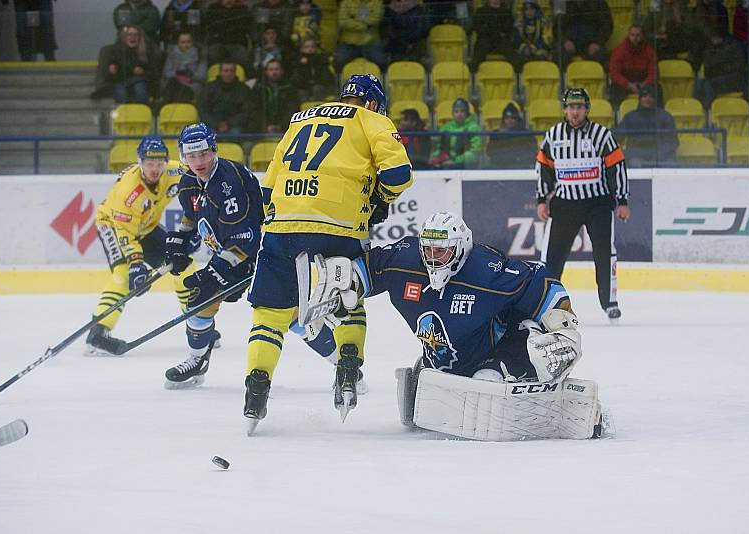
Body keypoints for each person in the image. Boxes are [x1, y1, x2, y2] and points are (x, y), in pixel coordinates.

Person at [303, 211, 602, 440]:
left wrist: (562, 322)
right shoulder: (406, 262)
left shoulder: (487, 272)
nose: (432, 258)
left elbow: (538, 280)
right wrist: (347, 281)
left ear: (460, 248)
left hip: (495, 351)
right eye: (428, 249)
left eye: (441, 251)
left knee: (488, 379)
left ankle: (520, 373)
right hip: (444, 359)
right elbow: (372, 265)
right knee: (430, 380)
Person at [243, 74, 413, 426]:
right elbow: (398, 174)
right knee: (349, 300)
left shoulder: (301, 118)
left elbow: (267, 188)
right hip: (336, 225)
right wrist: (379, 198)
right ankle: (348, 368)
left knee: (270, 317)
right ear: (371, 102)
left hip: (282, 226)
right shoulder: (371, 119)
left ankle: (256, 391)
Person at [163, 122, 348, 388]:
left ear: (214, 150)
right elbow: (193, 214)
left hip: (265, 253)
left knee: (292, 316)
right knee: (201, 300)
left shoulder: (228, 182)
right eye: (191, 156)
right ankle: (197, 360)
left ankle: (344, 364)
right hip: (231, 254)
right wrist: (180, 238)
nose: (198, 161)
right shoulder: (188, 181)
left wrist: (216, 271)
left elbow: (245, 239)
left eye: (203, 154)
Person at [85, 137, 197, 356]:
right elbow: (125, 233)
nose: (155, 169)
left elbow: (200, 178)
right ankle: (97, 332)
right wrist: (136, 263)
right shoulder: (128, 191)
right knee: (124, 274)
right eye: (149, 164)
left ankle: (195, 323)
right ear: (140, 162)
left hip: (146, 227)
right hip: (113, 226)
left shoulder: (174, 171)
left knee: (182, 264)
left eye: (159, 164)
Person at [536, 88, 630, 323]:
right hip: (565, 203)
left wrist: (622, 200)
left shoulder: (602, 135)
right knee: (552, 256)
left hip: (597, 203)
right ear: (564, 109)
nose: (574, 112)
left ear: (587, 109)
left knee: (604, 253)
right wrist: (541, 199)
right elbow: (543, 168)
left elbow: (616, 167)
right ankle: (544, 303)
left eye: (579, 107)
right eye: (570, 107)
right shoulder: (554, 135)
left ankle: (610, 303)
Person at [93, 25, 162, 103]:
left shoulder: (148, 51)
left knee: (139, 88)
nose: (132, 37)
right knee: (120, 91)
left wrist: (143, 72)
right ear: (124, 37)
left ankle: (143, 110)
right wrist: (112, 71)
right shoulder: (116, 51)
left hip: (141, 81)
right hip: (121, 82)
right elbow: (108, 76)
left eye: (135, 34)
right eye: (130, 34)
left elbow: (155, 73)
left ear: (140, 37)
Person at [617, 85, 678, 167]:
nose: (648, 99)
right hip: (636, 157)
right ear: (640, 99)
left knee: (671, 164)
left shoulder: (665, 116)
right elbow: (617, 136)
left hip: (661, 157)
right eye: (645, 96)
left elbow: (673, 142)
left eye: (651, 96)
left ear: (655, 99)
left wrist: (659, 155)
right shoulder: (630, 117)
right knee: (633, 164)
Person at [608, 24, 657, 106]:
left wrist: (644, 84)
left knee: (656, 88)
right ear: (628, 35)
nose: (635, 38)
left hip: (644, 83)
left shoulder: (649, 51)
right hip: (625, 84)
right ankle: (617, 116)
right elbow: (614, 74)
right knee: (615, 88)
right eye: (632, 35)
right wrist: (628, 85)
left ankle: (657, 115)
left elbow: (653, 73)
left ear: (642, 36)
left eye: (638, 35)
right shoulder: (619, 51)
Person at [199, 61, 253, 134]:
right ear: (220, 72)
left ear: (235, 72)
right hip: (212, 125)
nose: (229, 73)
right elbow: (203, 111)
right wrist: (217, 124)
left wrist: (229, 124)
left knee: (236, 133)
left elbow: (246, 112)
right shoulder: (209, 88)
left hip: (235, 126)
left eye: (231, 71)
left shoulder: (244, 89)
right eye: (226, 71)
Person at [333, 0, 387, 71]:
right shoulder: (346, 2)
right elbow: (343, 22)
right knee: (338, 62)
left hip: (371, 43)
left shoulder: (377, 2)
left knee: (381, 62)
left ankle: (381, 81)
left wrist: (353, 18)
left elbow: (375, 19)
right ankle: (339, 81)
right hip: (349, 43)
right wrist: (364, 26)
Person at [429, 98, 482, 169]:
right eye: (456, 111)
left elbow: (475, 153)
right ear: (453, 113)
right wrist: (436, 158)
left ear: (467, 113)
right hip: (445, 164)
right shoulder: (446, 128)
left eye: (462, 111)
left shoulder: (474, 128)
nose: (459, 114)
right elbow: (438, 147)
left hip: (466, 166)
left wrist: (455, 161)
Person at [250, 59, 300, 133]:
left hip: (286, 130)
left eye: (277, 69)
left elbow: (292, 110)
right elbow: (255, 111)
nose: (274, 72)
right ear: (266, 72)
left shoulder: (290, 88)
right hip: (261, 131)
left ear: (282, 71)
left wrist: (280, 127)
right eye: (271, 69)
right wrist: (265, 126)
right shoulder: (259, 88)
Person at [556, 0, 612, 65]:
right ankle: (563, 75)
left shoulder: (599, 2)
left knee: (603, 57)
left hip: (592, 43)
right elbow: (556, 26)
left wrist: (597, 42)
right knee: (558, 56)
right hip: (569, 42)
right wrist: (565, 41)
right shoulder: (560, 2)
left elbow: (606, 26)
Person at [486, 102, 536, 169]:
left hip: (519, 167)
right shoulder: (496, 135)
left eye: (513, 118)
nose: (510, 120)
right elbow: (490, 152)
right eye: (507, 118)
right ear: (503, 120)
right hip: (499, 167)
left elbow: (531, 153)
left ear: (517, 119)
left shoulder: (526, 134)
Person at [205, 0, 253, 69]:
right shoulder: (213, 8)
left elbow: (245, 28)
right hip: (217, 43)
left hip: (236, 43)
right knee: (213, 54)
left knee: (244, 57)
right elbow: (211, 27)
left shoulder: (242, 9)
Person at [162, 31, 207, 103]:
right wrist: (178, 72)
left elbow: (202, 77)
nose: (186, 45)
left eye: (188, 42)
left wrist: (191, 74)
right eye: (183, 42)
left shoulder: (200, 55)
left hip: (192, 86)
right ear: (178, 43)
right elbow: (167, 73)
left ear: (192, 43)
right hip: (175, 85)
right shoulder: (172, 54)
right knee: (171, 85)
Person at [288, 37, 337, 102]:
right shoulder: (298, 62)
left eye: (312, 47)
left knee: (317, 89)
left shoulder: (321, 60)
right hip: (304, 87)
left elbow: (326, 76)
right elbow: (296, 79)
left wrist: (315, 82)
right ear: (301, 49)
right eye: (306, 47)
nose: (309, 49)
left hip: (319, 86)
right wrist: (302, 65)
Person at [471, 0, 516, 70]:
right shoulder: (480, 11)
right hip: (485, 39)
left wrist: (488, 28)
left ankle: (518, 74)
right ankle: (474, 75)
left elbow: (508, 27)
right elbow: (478, 27)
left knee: (511, 53)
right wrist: (497, 32)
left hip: (501, 40)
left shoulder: (506, 12)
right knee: (478, 56)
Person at [513, 0, 552, 68]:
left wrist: (533, 47)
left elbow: (546, 40)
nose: (529, 12)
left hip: (539, 49)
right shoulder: (518, 24)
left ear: (536, 10)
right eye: (527, 9)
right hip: (523, 50)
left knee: (542, 55)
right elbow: (516, 40)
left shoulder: (544, 23)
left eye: (532, 9)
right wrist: (525, 47)